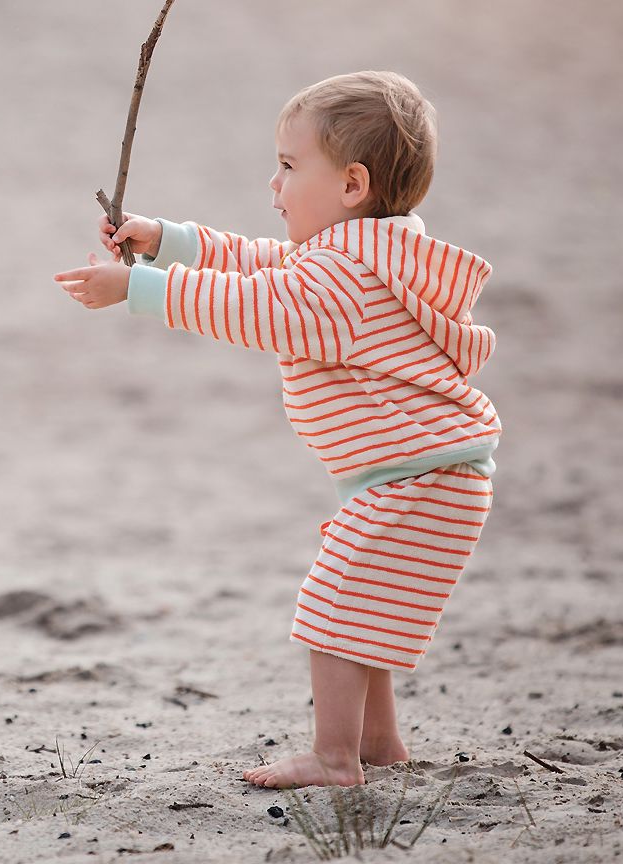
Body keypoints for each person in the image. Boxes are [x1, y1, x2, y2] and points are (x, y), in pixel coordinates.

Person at [53, 70, 501, 789]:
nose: (274, 186)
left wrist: (138, 288)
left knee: (332, 607)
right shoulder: (362, 256)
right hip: (431, 475)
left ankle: (333, 759)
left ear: (352, 186)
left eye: (289, 168)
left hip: (419, 478)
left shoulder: (344, 282)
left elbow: (254, 305)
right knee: (366, 608)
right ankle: (379, 742)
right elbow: (264, 262)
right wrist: (168, 241)